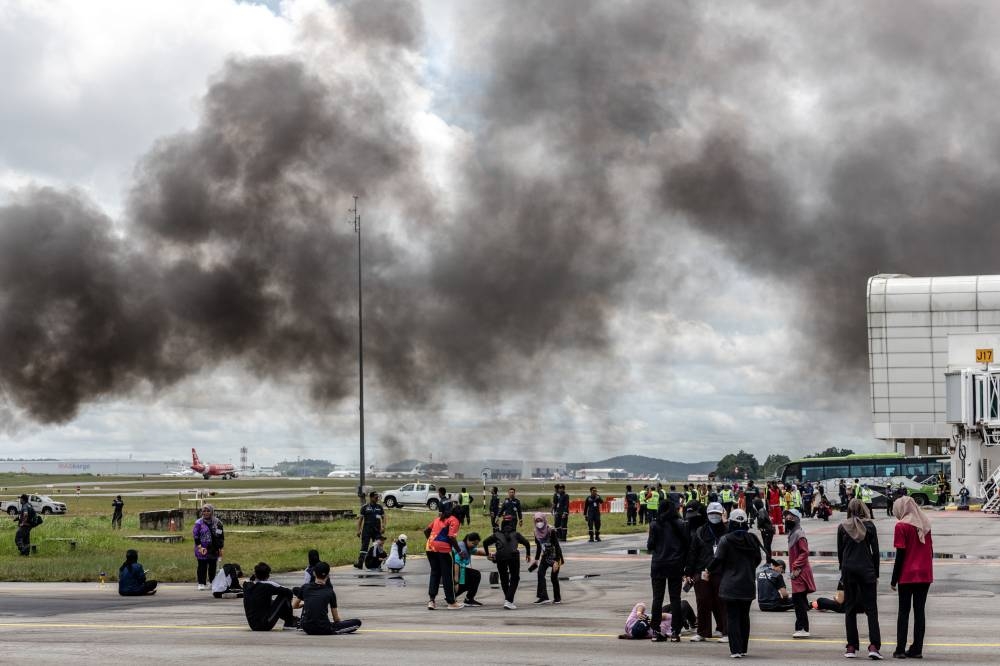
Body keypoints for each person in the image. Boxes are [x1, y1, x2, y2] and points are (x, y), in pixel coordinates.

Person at [708, 509, 762, 659]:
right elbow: (758, 559)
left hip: (730, 584)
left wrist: (708, 570)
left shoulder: (725, 539)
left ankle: (735, 650)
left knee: (732, 617)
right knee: (744, 616)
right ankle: (744, 648)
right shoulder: (752, 539)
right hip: (747, 583)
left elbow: (717, 560)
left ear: (731, 522)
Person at [838, 498, 882, 660]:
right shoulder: (869, 526)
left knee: (850, 609)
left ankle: (851, 646)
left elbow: (840, 553)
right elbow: (875, 553)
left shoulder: (842, 527)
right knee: (871, 610)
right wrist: (876, 574)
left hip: (849, 571)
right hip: (866, 570)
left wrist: (843, 574)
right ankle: (874, 646)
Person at [891, 495, 933, 659]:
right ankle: (917, 649)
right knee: (919, 611)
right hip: (925, 573)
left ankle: (900, 649)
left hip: (907, 574)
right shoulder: (925, 524)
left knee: (903, 612)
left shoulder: (901, 526)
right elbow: (929, 551)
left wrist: (894, 579)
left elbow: (900, 555)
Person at [647, 500, 689, 642]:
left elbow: (650, 545)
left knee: (657, 599)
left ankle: (655, 630)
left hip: (659, 564)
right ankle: (675, 632)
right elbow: (686, 544)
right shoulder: (680, 524)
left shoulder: (655, 524)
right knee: (675, 598)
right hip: (675, 564)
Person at [685, 502, 727, 642]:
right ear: (707, 515)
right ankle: (702, 632)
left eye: (717, 514)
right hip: (701, 572)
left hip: (721, 572)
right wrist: (689, 572)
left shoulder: (727, 531)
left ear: (722, 514)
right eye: (711, 514)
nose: (714, 516)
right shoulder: (700, 531)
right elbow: (692, 552)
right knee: (702, 602)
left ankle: (724, 630)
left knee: (722, 602)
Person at [293, 562, 362, 635]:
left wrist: (303, 605)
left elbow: (294, 606)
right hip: (323, 628)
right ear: (328, 575)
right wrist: (338, 624)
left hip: (306, 627)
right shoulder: (330, 591)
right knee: (357, 622)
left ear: (314, 573)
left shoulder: (305, 587)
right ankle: (334, 629)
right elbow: (336, 618)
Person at [483, 519, 532, 609]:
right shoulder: (516, 534)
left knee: (503, 577)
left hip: (500, 556)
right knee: (515, 577)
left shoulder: (496, 534)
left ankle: (508, 599)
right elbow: (527, 543)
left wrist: (487, 554)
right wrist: (528, 554)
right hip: (513, 556)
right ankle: (509, 600)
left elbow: (485, 542)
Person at [424, 503, 463, 610]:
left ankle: (431, 601)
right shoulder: (454, 520)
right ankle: (451, 602)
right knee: (447, 575)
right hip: (443, 549)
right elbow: (451, 537)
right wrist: (459, 551)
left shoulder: (439, 518)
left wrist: (431, 541)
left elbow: (426, 530)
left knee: (435, 573)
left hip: (430, 547)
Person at [784, 508, 815, 638]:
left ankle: (802, 628)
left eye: (790, 517)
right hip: (796, 571)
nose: (787, 519)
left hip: (800, 572)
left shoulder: (799, 534)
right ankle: (801, 627)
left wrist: (795, 565)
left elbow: (805, 552)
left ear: (796, 519)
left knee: (799, 600)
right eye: (786, 517)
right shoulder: (792, 533)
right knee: (799, 600)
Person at [243, 562, 297, 631]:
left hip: (252, 625)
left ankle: (292, 619)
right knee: (284, 597)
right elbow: (289, 592)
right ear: (268, 576)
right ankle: (289, 622)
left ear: (255, 574)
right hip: (264, 624)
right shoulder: (267, 586)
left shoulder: (246, 584)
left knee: (268, 601)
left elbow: (253, 582)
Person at [530, 513, 563, 604]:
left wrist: (557, 561)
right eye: (537, 521)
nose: (539, 523)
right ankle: (543, 596)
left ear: (544, 520)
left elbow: (557, 545)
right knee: (540, 573)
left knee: (553, 577)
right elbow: (538, 546)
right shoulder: (536, 532)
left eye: (540, 520)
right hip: (545, 556)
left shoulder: (550, 530)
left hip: (555, 555)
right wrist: (536, 559)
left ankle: (557, 598)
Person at [193, 504, 224, 590]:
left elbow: (220, 536)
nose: (206, 513)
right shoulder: (198, 523)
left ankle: (212, 582)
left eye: (208, 511)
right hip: (202, 548)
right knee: (202, 566)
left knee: (212, 566)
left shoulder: (218, 522)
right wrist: (200, 547)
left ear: (212, 512)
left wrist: (220, 548)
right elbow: (196, 536)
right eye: (204, 511)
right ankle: (201, 583)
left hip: (213, 548)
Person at [355, 491, 385, 569]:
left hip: (377, 530)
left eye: (378, 497)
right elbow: (360, 520)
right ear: (371, 498)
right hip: (367, 530)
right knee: (364, 546)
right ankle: (360, 563)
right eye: (376, 497)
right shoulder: (364, 507)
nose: (377, 499)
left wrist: (383, 526)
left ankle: (378, 563)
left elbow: (384, 517)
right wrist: (358, 530)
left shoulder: (380, 507)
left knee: (378, 546)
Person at [454, 532, 484, 606]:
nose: (475, 546)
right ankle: (454, 596)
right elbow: (456, 564)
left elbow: (478, 551)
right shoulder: (462, 549)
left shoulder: (467, 546)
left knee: (473, 576)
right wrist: (456, 582)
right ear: (468, 540)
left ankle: (453, 595)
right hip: (453, 569)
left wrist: (490, 554)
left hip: (457, 568)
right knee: (475, 575)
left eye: (476, 544)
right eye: (473, 543)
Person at [753, 497, 774, 563]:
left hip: (767, 530)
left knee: (767, 546)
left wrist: (759, 526)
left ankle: (768, 561)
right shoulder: (762, 510)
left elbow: (762, 519)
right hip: (767, 530)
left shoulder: (761, 510)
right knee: (767, 546)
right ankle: (768, 560)